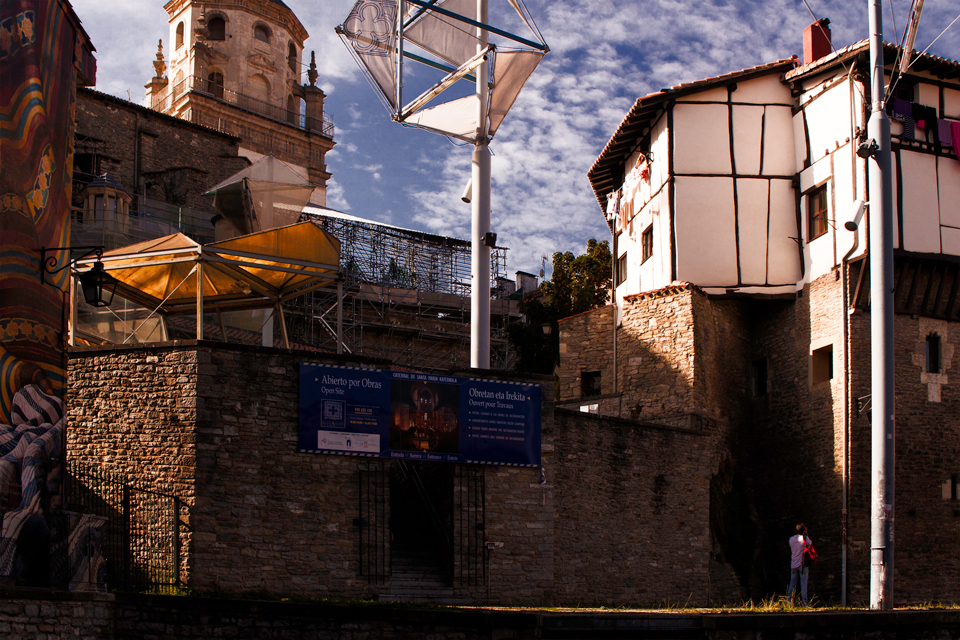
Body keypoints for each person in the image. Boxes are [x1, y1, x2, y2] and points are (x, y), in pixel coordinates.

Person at [787, 523, 812, 605]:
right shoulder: (804, 538)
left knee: (792, 583)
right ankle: (804, 602)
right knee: (803, 584)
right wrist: (806, 535)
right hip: (802, 564)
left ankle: (789, 601)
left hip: (793, 564)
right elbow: (810, 544)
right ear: (803, 531)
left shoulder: (791, 539)